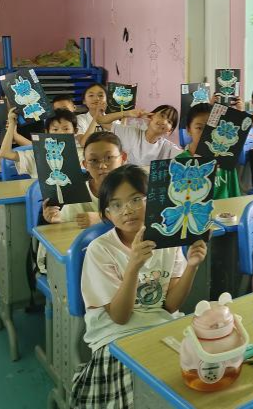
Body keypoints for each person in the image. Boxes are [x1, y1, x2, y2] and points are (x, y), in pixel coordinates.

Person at [70, 165, 207, 407]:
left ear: (152, 201)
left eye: (136, 199)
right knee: (136, 395)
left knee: (193, 380)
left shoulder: (167, 241)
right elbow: (119, 317)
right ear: (107, 214)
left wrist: (192, 267)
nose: (128, 210)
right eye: (116, 205)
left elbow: (170, 305)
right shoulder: (100, 250)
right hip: (115, 337)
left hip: (161, 326)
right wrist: (133, 266)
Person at [37, 131, 127, 273]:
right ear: (85, 164)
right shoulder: (76, 193)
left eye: (109, 158)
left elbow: (145, 221)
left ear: (123, 158)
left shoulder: (133, 191)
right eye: (94, 160)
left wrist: (102, 219)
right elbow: (64, 230)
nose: (102, 166)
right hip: (86, 264)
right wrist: (57, 222)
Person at [178, 101, 242, 199]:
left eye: (212, 128)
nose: (206, 133)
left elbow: (235, 197)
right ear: (188, 130)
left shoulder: (226, 159)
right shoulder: (179, 163)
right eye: (199, 128)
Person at [0, 107, 79, 178]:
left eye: (66, 129)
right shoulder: (38, 154)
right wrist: (12, 124)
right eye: (55, 129)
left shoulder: (82, 153)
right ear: (47, 132)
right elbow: (5, 153)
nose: (60, 133)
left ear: (75, 131)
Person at [91, 105, 181, 167]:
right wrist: (127, 113)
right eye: (162, 116)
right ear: (150, 116)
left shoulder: (168, 147)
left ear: (169, 131)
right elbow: (101, 121)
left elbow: (187, 158)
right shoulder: (131, 132)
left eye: (169, 121)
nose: (164, 122)